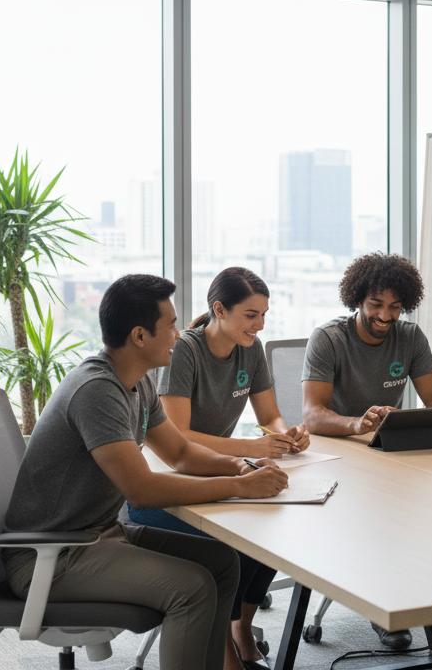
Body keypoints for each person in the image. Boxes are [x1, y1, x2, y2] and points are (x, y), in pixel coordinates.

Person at [1, 274, 288, 670]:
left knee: (223, 563)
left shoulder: (137, 383)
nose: (180, 331)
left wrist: (240, 464)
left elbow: (181, 452)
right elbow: (142, 491)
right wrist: (240, 486)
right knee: (192, 588)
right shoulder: (98, 391)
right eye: (170, 325)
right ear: (139, 336)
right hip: (53, 557)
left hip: (99, 536)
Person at [126, 267, 309, 670]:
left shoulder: (250, 349)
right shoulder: (185, 352)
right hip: (172, 479)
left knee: (276, 522)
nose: (259, 325)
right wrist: (251, 449)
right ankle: (226, 646)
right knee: (237, 537)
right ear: (219, 310)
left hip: (218, 468)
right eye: (251, 315)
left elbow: (269, 415)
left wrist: (287, 434)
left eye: (264, 315)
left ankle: (242, 627)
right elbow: (179, 439)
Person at [302, 251, 432, 648]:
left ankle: (408, 598)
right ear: (357, 299)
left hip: (391, 451)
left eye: (395, 307)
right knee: (379, 518)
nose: (386, 316)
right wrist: (356, 424)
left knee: (423, 508)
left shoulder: (409, 337)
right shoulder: (329, 339)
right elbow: (313, 415)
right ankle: (384, 608)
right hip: (339, 455)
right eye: (376, 305)